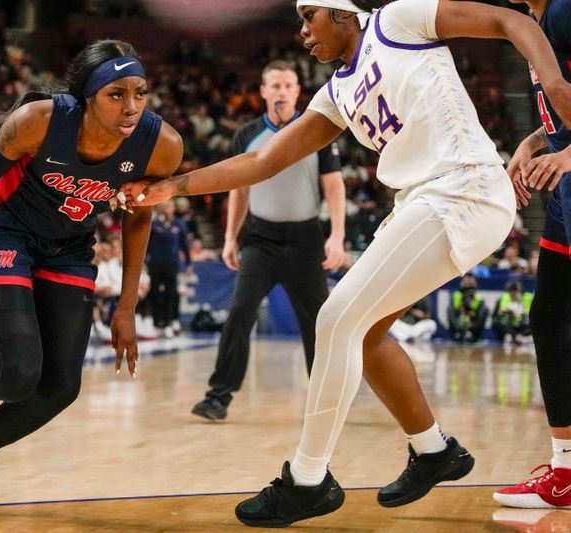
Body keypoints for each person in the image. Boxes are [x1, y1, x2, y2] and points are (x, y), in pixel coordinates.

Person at [121, 0, 571, 526]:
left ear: (341, 13)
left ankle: (307, 478)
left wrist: (557, 86)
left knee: (336, 317)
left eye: (308, 16)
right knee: (367, 335)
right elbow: (262, 161)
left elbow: (507, 20)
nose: (301, 31)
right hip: (425, 201)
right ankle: (433, 451)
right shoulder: (335, 93)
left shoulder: (397, 20)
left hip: (464, 188)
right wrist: (172, 188)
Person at [0, 40, 183, 515]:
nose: (132, 106)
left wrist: (126, 307)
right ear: (88, 95)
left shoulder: (160, 145)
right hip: (5, 231)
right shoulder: (41, 121)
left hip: (69, 248)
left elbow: (138, 216)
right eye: (116, 94)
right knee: (18, 374)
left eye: (141, 92)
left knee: (60, 387)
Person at [191, 60, 346, 421]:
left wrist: (336, 235)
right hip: (260, 238)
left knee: (317, 322)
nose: (281, 91)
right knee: (240, 312)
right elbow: (239, 188)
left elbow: (333, 185)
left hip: (305, 237)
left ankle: (325, 400)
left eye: (288, 86)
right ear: (262, 92)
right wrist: (230, 237)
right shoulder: (245, 135)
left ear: (297, 91)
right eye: (274, 85)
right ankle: (218, 398)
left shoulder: (316, 130)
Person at [495, 0, 571, 510]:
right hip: (564, 191)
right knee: (547, 318)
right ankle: (564, 469)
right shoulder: (538, 20)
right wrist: (534, 141)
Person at [146, 200, 190, 338]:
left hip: (172, 263)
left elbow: (185, 245)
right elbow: (146, 243)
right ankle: (156, 323)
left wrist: (188, 263)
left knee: (171, 294)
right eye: (164, 206)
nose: (167, 209)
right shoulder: (154, 224)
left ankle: (168, 323)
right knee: (155, 293)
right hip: (155, 263)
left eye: (170, 206)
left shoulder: (179, 224)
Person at [447, 273, 489, 343]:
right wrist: (459, 328)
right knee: (449, 310)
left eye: (471, 284)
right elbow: (451, 316)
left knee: (486, 310)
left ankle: (471, 335)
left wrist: (470, 328)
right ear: (461, 284)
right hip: (457, 329)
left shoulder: (479, 299)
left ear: (475, 284)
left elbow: (480, 318)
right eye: (466, 283)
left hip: (473, 330)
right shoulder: (456, 297)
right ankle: (458, 334)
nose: (468, 288)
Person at [491, 280, 533, 345]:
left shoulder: (529, 298)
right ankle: (514, 337)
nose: (514, 295)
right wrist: (509, 312)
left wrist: (522, 313)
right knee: (500, 321)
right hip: (511, 325)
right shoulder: (505, 297)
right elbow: (499, 313)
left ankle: (522, 337)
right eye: (511, 292)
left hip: (525, 325)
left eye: (516, 292)